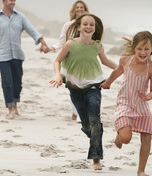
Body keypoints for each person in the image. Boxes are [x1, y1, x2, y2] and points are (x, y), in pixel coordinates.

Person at [50, 13, 117, 171]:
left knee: (95, 121)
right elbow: (57, 60)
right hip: (75, 89)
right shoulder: (70, 44)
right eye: (85, 24)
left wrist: (122, 69)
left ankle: (96, 159)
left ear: (95, 28)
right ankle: (93, 133)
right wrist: (58, 75)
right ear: (78, 27)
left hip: (94, 86)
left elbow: (106, 61)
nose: (88, 27)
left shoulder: (97, 46)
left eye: (91, 25)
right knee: (88, 126)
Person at [100, 31, 152, 176]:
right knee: (126, 139)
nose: (143, 52)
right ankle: (120, 134)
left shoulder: (151, 68)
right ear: (134, 48)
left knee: (147, 138)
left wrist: (148, 96)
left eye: (146, 49)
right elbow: (117, 71)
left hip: (141, 106)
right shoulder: (125, 60)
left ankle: (141, 170)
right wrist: (108, 82)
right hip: (125, 103)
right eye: (139, 48)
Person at [0, 0, 49, 119]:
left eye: (14, 0)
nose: (13, 2)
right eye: (11, 0)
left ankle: (15, 106)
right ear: (4, 1)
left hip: (17, 55)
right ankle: (10, 109)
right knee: (7, 83)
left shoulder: (20, 17)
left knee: (17, 83)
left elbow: (32, 30)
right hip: (3, 56)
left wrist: (42, 42)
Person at [49, 0, 90, 122]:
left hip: (85, 59)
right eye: (77, 7)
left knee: (85, 85)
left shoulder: (89, 24)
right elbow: (62, 41)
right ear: (74, 10)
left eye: (82, 7)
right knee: (73, 87)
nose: (79, 9)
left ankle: (80, 113)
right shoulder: (68, 25)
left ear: (85, 9)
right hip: (70, 59)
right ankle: (76, 113)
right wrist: (52, 48)